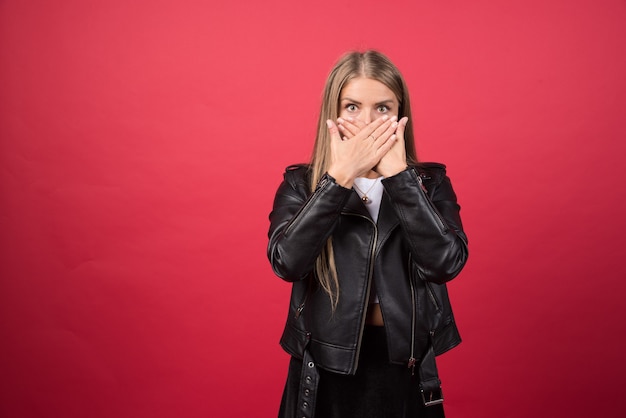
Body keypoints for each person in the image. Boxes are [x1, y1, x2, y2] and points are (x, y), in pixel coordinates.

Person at [267, 50, 469, 418]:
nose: (368, 121)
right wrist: (339, 179)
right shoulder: (300, 184)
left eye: (382, 108)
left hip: (403, 366)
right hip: (324, 369)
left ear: (400, 114)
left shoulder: (430, 184)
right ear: (334, 113)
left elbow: (445, 263)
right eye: (353, 107)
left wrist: (400, 179)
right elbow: (287, 263)